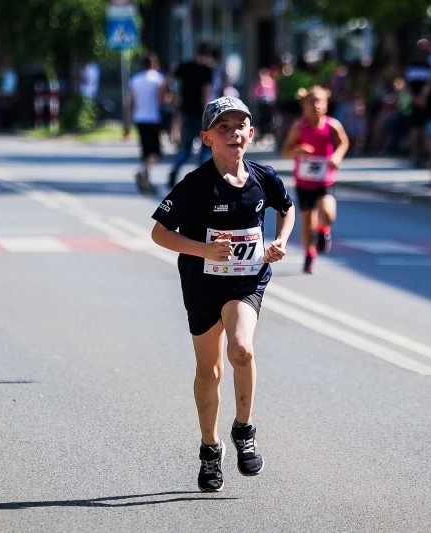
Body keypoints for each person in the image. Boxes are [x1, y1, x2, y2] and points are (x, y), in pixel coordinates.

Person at [150, 96, 295, 493]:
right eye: (223, 128)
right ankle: (210, 448)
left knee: (242, 349)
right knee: (209, 371)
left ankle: (244, 429)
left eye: (239, 126)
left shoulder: (263, 178)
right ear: (207, 137)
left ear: (251, 133)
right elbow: (159, 233)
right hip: (201, 283)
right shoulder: (196, 184)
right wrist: (204, 250)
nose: (233, 133)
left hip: (246, 281)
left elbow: (287, 207)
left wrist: (280, 240)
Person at [281, 85, 349, 274]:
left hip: (324, 180)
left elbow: (343, 143)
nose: (316, 106)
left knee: (328, 213)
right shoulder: (299, 127)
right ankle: (309, 255)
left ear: (326, 105)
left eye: (320, 102)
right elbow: (285, 151)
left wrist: (337, 157)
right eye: (312, 102)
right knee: (306, 223)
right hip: (304, 182)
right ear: (304, 106)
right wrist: (297, 151)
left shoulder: (332, 125)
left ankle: (323, 230)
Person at [167, 42, 214, 188]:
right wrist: (207, 112)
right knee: (205, 147)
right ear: (207, 55)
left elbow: (174, 85)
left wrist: (177, 102)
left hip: (185, 112)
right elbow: (205, 92)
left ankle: (174, 170)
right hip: (200, 113)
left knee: (186, 148)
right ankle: (202, 178)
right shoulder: (206, 70)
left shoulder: (184, 67)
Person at [124, 54, 167, 195]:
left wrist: (127, 125)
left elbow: (130, 103)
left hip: (139, 118)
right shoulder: (158, 79)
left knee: (145, 150)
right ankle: (143, 173)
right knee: (155, 152)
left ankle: (147, 181)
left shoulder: (135, 80)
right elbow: (161, 100)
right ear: (154, 64)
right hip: (153, 118)